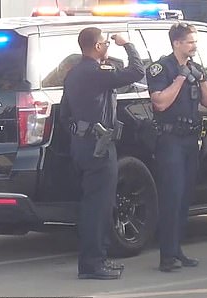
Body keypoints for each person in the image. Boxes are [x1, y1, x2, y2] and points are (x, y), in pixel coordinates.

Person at [60, 28, 145, 279]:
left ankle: (96, 259)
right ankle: (92, 264)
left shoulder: (74, 73)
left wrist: (81, 133)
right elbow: (137, 71)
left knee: (93, 205)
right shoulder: (94, 73)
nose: (108, 45)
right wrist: (127, 44)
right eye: (106, 42)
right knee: (99, 207)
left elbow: (65, 115)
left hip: (83, 143)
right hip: (98, 146)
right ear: (97, 46)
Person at [146, 22, 207, 272]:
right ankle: (166, 256)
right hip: (170, 140)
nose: (194, 46)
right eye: (190, 41)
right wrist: (179, 78)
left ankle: (177, 249)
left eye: (195, 42)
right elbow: (160, 103)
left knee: (185, 197)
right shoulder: (160, 68)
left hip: (190, 140)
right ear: (176, 43)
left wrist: (201, 81)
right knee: (172, 197)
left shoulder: (196, 68)